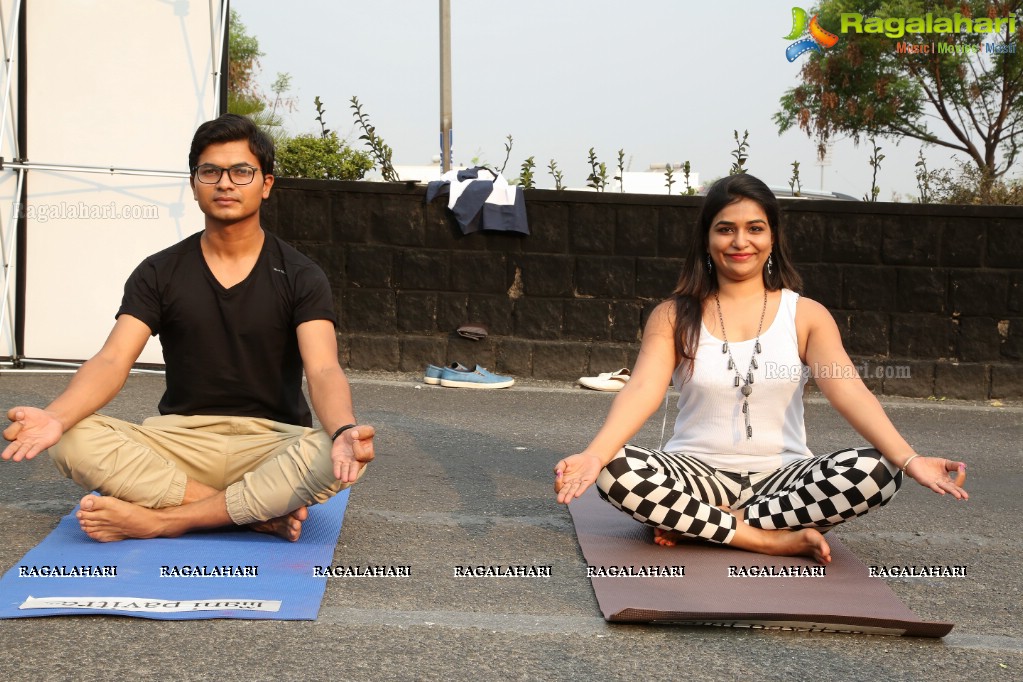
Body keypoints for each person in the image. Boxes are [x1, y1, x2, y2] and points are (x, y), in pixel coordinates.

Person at [554, 174, 966, 564]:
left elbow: (850, 391)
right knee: (612, 469)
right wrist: (594, 455)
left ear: (772, 238)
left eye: (754, 228)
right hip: (695, 472)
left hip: (782, 479)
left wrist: (911, 460)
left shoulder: (805, 314)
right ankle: (765, 540)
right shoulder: (673, 315)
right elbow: (642, 388)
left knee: (880, 470)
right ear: (706, 238)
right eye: (725, 229)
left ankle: (702, 523)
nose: (740, 242)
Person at [2, 113, 374, 543]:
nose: (225, 183)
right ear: (194, 183)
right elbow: (112, 358)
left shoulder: (301, 275)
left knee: (338, 452)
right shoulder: (159, 271)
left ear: (266, 184)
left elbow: (324, 369)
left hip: (271, 444)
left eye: (241, 171)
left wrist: (344, 429)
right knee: (71, 438)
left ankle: (167, 519)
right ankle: (253, 515)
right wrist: (54, 417)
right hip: (179, 442)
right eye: (210, 171)